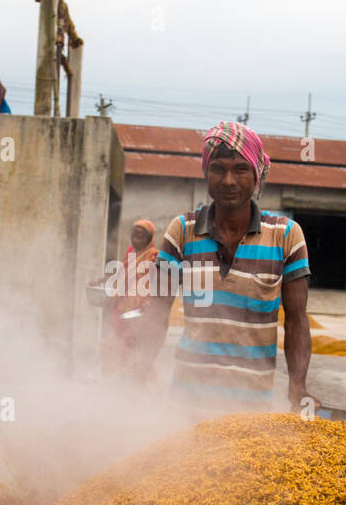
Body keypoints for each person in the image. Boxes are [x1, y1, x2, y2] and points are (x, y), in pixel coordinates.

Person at [133, 121, 315, 413]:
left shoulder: (286, 235)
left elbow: (296, 320)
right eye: (218, 168)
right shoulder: (182, 230)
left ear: (257, 175)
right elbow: (157, 308)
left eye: (241, 169)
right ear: (206, 173)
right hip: (185, 402)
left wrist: (298, 385)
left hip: (252, 407)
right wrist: (139, 368)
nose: (229, 180)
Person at [100, 220, 160, 377]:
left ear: (149, 239)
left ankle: (142, 390)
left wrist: (149, 303)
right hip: (121, 310)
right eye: (134, 237)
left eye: (141, 238)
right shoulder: (131, 255)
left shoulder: (154, 257)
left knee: (136, 354)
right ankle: (113, 386)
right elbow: (121, 275)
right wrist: (102, 281)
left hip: (139, 314)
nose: (136, 241)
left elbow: (157, 284)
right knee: (113, 349)